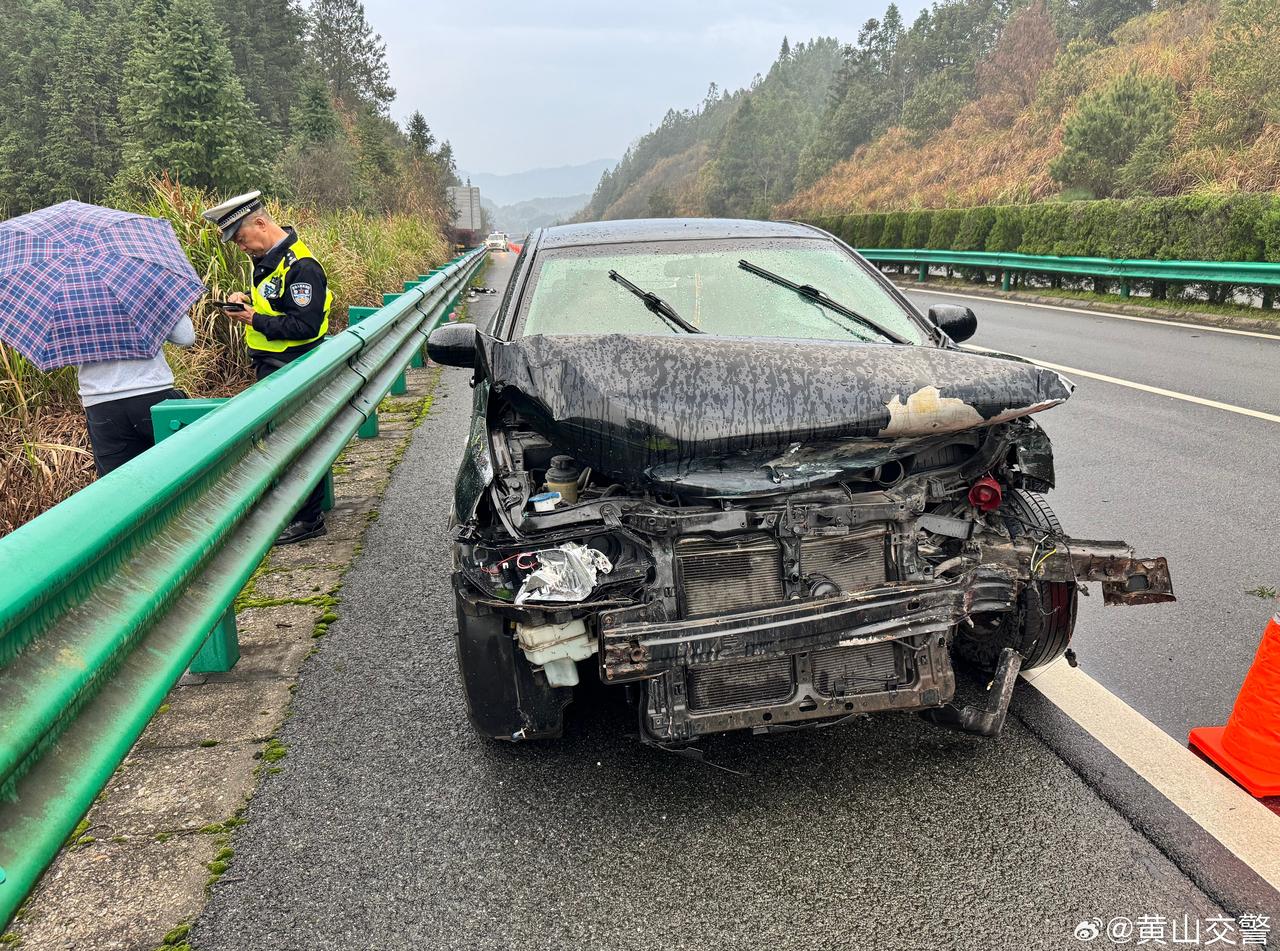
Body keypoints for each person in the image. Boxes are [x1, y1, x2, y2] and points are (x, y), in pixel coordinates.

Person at [203, 190, 332, 545]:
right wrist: (245, 301)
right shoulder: (269, 262)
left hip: (292, 366)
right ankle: (296, 510)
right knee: (282, 443)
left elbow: (303, 326)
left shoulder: (301, 266)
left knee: (297, 444)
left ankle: (308, 518)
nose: (241, 248)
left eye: (242, 239)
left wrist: (254, 319)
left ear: (261, 223)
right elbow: (275, 302)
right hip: (273, 367)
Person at [78, 316, 193, 476]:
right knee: (181, 474)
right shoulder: (143, 290)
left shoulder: (68, 297)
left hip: (101, 404)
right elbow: (186, 337)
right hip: (153, 392)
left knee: (119, 488)